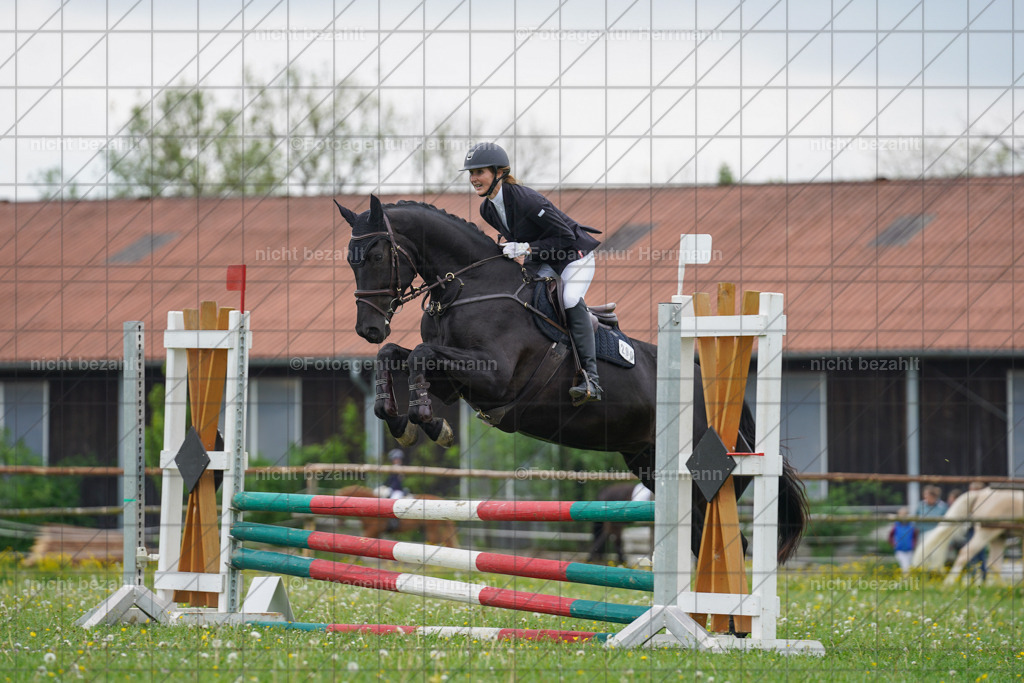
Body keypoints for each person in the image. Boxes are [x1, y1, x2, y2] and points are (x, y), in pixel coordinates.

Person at [461, 142, 604, 405]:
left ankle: (591, 379)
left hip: (573, 255)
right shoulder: (487, 209)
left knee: (570, 299)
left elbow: (565, 235)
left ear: (499, 172)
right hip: (543, 258)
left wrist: (526, 248)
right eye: (470, 173)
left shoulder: (526, 199)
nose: (473, 179)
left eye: (479, 172)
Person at [889, 507, 917, 574]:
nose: (903, 516)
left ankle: (908, 581)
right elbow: (890, 536)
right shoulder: (896, 526)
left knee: (910, 566)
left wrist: (913, 545)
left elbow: (915, 537)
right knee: (905, 566)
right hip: (900, 550)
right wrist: (894, 544)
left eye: (905, 514)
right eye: (901, 514)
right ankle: (906, 581)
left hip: (910, 550)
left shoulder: (912, 526)